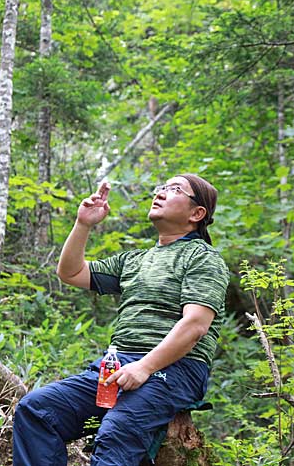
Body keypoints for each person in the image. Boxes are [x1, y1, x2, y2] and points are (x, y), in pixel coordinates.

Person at [12, 174, 229, 466]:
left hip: (175, 368)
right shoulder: (133, 260)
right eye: (161, 187)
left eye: (175, 189)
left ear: (196, 213)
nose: (161, 193)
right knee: (37, 410)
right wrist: (83, 224)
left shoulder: (203, 258)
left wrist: (145, 367)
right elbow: (71, 273)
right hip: (118, 365)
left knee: (117, 431)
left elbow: (195, 325)